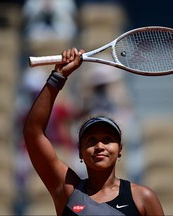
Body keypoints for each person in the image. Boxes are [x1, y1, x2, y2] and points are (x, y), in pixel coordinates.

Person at [23, 48, 164, 216]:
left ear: (120, 150)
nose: (99, 146)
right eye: (91, 140)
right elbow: (33, 133)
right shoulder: (68, 192)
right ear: (80, 152)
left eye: (107, 139)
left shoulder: (143, 197)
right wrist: (58, 76)